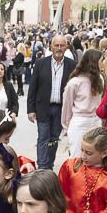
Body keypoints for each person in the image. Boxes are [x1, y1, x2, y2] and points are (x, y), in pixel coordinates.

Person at [27, 35, 76, 170]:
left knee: (54, 138)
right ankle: (42, 166)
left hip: (61, 109)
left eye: (62, 45)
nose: (59, 48)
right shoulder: (41, 63)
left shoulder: (72, 65)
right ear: (51, 47)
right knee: (43, 137)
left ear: (66, 47)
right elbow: (33, 87)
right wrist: (30, 109)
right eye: (56, 45)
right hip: (43, 107)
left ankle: (49, 165)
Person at [60, 49, 105, 158]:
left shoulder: (100, 79)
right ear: (94, 62)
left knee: (96, 156)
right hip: (80, 122)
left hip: (96, 121)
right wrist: (66, 126)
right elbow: (67, 106)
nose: (103, 63)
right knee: (77, 155)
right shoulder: (75, 82)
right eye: (101, 60)